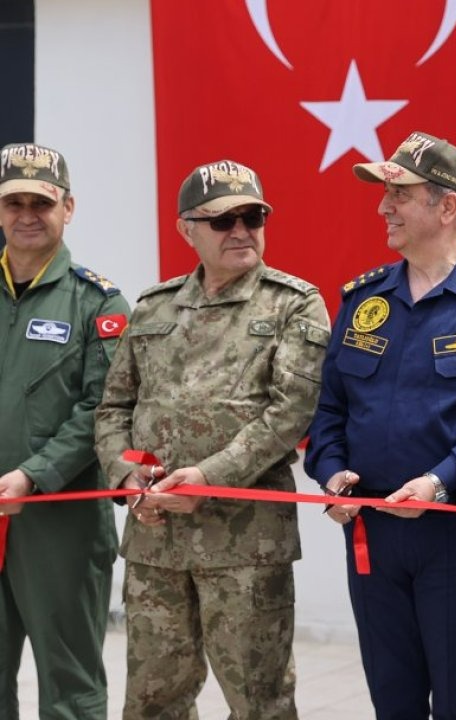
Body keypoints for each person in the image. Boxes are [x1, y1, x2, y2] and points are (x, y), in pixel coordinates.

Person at [304, 131, 456, 719]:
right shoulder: (363, 298)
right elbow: (330, 409)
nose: (383, 207)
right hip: (373, 534)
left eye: (400, 194)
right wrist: (332, 475)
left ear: (446, 206)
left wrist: (437, 482)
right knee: (394, 702)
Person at [95, 159, 329, 719]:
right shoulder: (154, 307)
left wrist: (208, 478)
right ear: (187, 230)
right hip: (157, 544)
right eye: (223, 221)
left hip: (244, 546)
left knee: (260, 701)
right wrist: (127, 476)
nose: (242, 230)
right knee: (154, 700)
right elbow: (113, 409)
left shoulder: (293, 303)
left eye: (253, 216)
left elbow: (289, 413)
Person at [0, 142, 128, 720]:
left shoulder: (98, 302)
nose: (27, 214)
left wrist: (33, 474)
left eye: (41, 202)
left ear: (67, 208)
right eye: (14, 202)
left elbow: (103, 409)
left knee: (69, 686)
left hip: (61, 520)